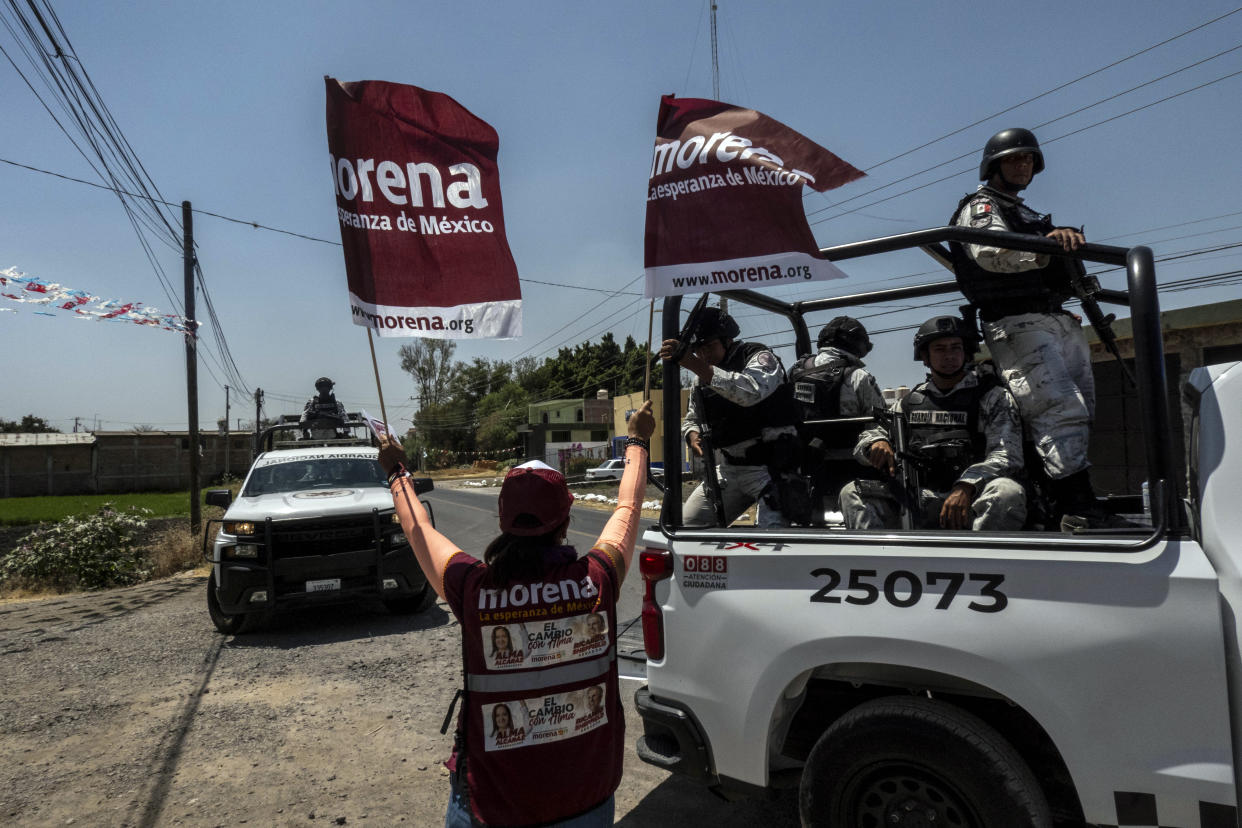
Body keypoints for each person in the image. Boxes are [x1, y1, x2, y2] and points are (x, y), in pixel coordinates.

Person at [380, 399, 656, 828]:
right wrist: (637, 440)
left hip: (491, 807)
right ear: (566, 523)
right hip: (586, 800)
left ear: (503, 520)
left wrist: (397, 474)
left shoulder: (472, 588)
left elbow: (420, 531)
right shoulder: (598, 580)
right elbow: (628, 509)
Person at [948, 127, 1108, 531]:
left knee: (1080, 411)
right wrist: (1047, 247)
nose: (1023, 165)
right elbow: (991, 253)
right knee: (1058, 410)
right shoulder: (981, 207)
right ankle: (1078, 508)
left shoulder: (1027, 214)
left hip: (1054, 318)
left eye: (1028, 160)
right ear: (994, 164)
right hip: (1017, 321)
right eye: (1014, 158)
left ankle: (1062, 504)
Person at [840, 316, 1027, 531]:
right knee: (852, 492)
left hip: (973, 497)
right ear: (925, 357)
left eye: (955, 348)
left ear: (966, 352)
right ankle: (885, 560)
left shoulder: (993, 396)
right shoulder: (909, 402)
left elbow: (1007, 456)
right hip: (921, 495)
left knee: (1007, 492)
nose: (949, 356)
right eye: (939, 349)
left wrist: (966, 485)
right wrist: (876, 442)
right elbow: (870, 435)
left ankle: (978, 561)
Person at [659, 306, 801, 527]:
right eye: (698, 350)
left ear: (727, 340)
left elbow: (749, 392)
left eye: (709, 346)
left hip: (769, 470)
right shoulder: (702, 376)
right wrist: (692, 434)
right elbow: (693, 416)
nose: (704, 355)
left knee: (771, 538)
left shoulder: (759, 358)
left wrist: (694, 364)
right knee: (685, 525)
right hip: (728, 470)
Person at [788, 316, 889, 514]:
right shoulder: (859, 376)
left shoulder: (795, 371)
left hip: (805, 470)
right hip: (853, 470)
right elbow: (880, 424)